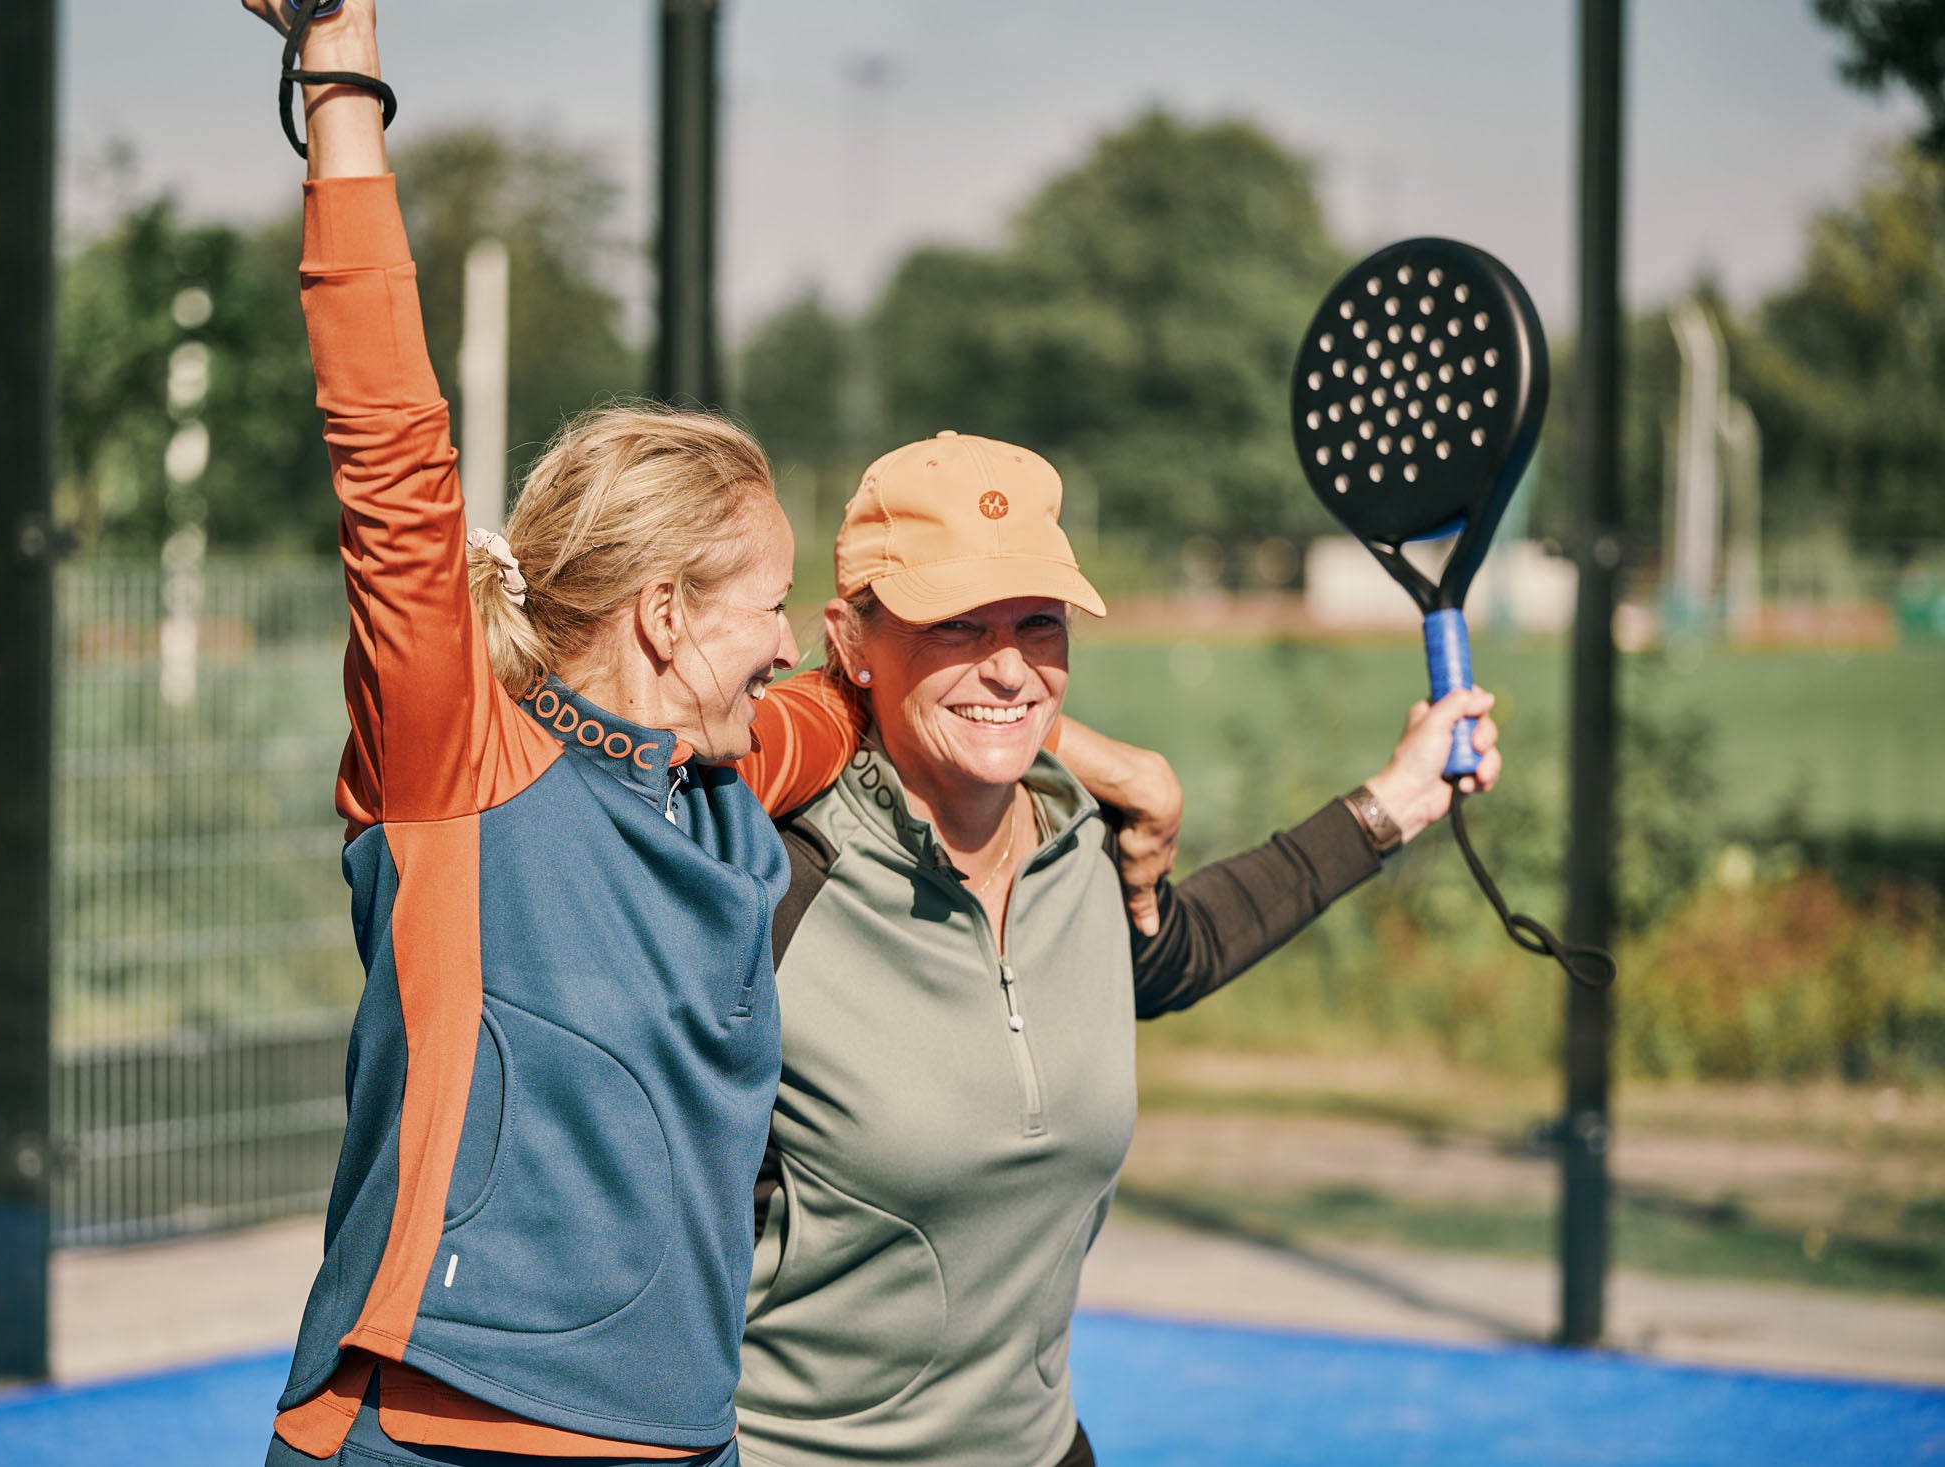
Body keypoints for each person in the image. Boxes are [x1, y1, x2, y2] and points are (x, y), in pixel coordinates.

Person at [243, 9, 1180, 1462]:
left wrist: (1086, 755)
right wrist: (340, 75)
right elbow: (388, 446)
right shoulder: (460, 771)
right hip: (438, 1434)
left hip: (687, 1444)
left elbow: (897, 696)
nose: (796, 634)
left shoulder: (737, 781)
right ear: (667, 616)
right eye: (765, 597)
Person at [736, 431, 1502, 1467]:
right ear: (852, 639)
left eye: (1037, 624)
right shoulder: (771, 877)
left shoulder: (1084, 842)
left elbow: (1177, 950)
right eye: (956, 624)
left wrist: (1396, 801)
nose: (1007, 666)